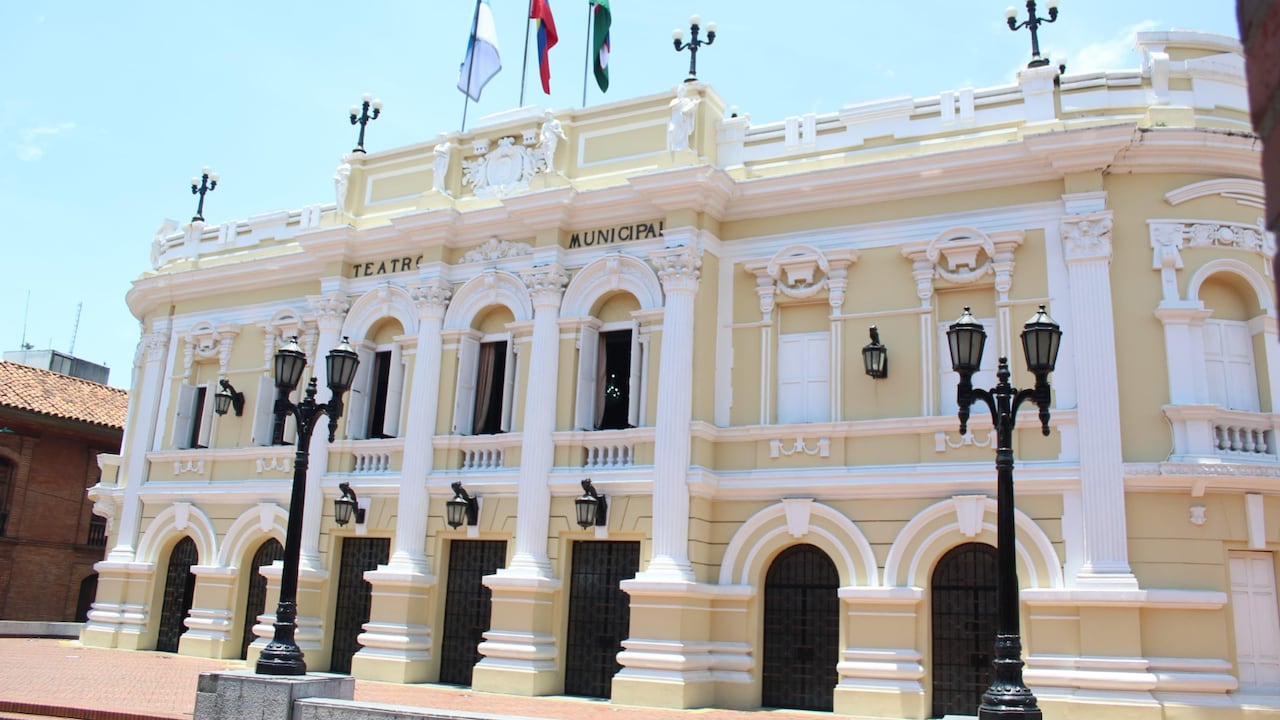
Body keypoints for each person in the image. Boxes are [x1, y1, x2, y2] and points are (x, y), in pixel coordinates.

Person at [667, 83, 699, 152]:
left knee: (682, 133)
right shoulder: (675, 100)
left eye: (681, 91)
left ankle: (681, 146)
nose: (680, 92)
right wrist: (680, 101)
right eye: (679, 91)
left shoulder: (686, 100)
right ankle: (675, 145)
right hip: (675, 118)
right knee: (671, 130)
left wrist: (694, 104)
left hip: (683, 120)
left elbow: (690, 109)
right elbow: (672, 106)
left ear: (684, 92)